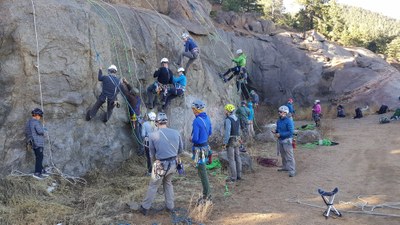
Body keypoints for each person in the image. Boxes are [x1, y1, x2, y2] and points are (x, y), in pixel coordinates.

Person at [139, 112, 183, 216]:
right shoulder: (176, 132)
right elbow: (180, 150)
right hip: (173, 164)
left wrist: (155, 162)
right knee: (168, 183)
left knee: (153, 186)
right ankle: (170, 206)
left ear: (156, 122)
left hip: (160, 165)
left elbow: (152, 154)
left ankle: (145, 207)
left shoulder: (152, 135)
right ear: (166, 121)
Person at [191, 99, 212, 202]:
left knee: (202, 173)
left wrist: (191, 139)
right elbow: (210, 132)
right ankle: (206, 193)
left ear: (197, 110)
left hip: (199, 149)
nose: (192, 111)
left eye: (193, 109)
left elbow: (195, 138)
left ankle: (207, 195)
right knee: (202, 171)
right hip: (206, 147)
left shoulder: (196, 121)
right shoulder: (207, 118)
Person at [120, 78, 143, 155]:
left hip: (135, 118)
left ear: (132, 93)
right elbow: (131, 90)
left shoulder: (131, 98)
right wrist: (127, 82)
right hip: (139, 116)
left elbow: (125, 92)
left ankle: (141, 148)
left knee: (136, 133)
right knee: (139, 132)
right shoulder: (137, 97)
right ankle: (142, 146)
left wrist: (120, 84)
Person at [25, 108, 49, 180]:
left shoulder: (28, 122)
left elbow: (27, 132)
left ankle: (41, 170)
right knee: (40, 157)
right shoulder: (36, 122)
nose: (40, 117)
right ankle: (37, 173)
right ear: (37, 115)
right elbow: (40, 131)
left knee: (38, 156)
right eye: (40, 116)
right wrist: (44, 129)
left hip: (32, 142)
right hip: (38, 142)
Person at [272, 105, 296, 177]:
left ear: (285, 113)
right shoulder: (278, 121)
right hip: (281, 140)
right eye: (279, 111)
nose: (279, 113)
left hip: (287, 140)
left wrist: (281, 134)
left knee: (289, 156)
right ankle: (285, 167)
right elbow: (278, 129)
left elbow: (291, 132)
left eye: (280, 112)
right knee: (283, 155)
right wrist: (275, 131)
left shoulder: (289, 121)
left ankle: (292, 170)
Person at [223, 104, 243, 182]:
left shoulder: (228, 120)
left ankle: (233, 177)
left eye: (225, 110)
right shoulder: (237, 119)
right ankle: (239, 175)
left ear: (228, 111)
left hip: (231, 140)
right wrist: (240, 139)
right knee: (237, 157)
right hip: (237, 139)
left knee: (231, 159)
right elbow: (239, 130)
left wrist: (224, 143)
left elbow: (227, 132)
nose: (225, 111)